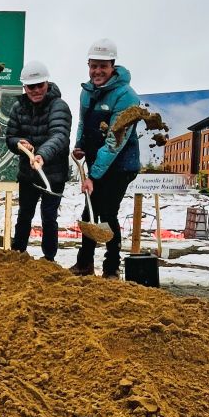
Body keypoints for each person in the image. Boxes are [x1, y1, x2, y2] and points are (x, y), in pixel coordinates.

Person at [71, 39, 141, 278]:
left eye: (103, 66)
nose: (97, 71)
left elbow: (114, 142)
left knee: (108, 213)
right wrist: (79, 145)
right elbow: (83, 121)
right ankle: (85, 264)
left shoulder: (126, 96)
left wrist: (92, 176)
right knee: (89, 213)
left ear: (113, 66)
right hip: (97, 162)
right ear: (88, 65)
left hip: (121, 164)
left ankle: (111, 268)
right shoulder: (87, 91)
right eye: (93, 66)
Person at [6, 60, 72, 260]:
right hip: (28, 174)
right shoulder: (18, 108)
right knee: (24, 214)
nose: (35, 90)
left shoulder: (59, 106)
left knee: (49, 217)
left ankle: (49, 259)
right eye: (30, 86)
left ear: (47, 83)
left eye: (39, 85)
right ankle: (18, 254)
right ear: (24, 87)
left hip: (53, 175)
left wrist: (42, 155)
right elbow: (10, 137)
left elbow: (59, 135)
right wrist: (20, 143)